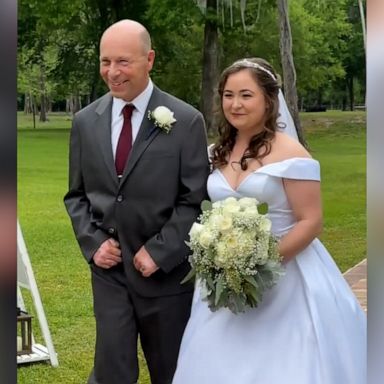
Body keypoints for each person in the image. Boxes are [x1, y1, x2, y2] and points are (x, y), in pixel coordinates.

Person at [172, 58, 366, 384]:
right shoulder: (215, 152)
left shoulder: (292, 154)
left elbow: (310, 221)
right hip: (225, 281)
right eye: (228, 95)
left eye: (246, 95)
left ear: (268, 100)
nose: (235, 104)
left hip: (287, 281)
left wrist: (261, 262)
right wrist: (226, 263)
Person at [64, 19, 210, 384]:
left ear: (150, 59)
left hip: (167, 279)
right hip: (110, 275)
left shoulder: (187, 121)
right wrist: (94, 244)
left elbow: (195, 200)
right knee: (112, 371)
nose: (112, 72)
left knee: (172, 372)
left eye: (123, 62)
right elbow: (76, 195)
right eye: (105, 61)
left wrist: (160, 252)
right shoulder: (85, 121)